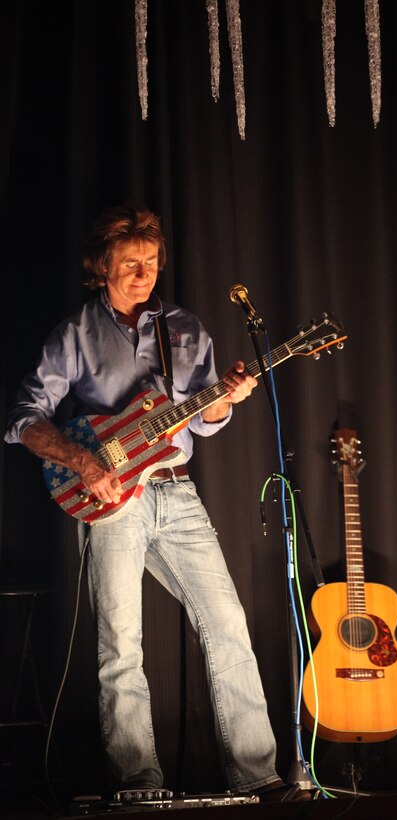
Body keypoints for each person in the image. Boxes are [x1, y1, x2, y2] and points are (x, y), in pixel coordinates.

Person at [4, 205, 297, 801]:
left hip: (177, 489)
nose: (144, 273)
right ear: (101, 266)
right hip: (109, 498)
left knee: (227, 623)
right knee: (121, 642)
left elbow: (207, 415)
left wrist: (228, 398)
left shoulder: (185, 328)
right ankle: (139, 785)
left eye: (152, 262)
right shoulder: (74, 335)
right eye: (131, 263)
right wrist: (85, 461)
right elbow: (22, 420)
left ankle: (260, 777)